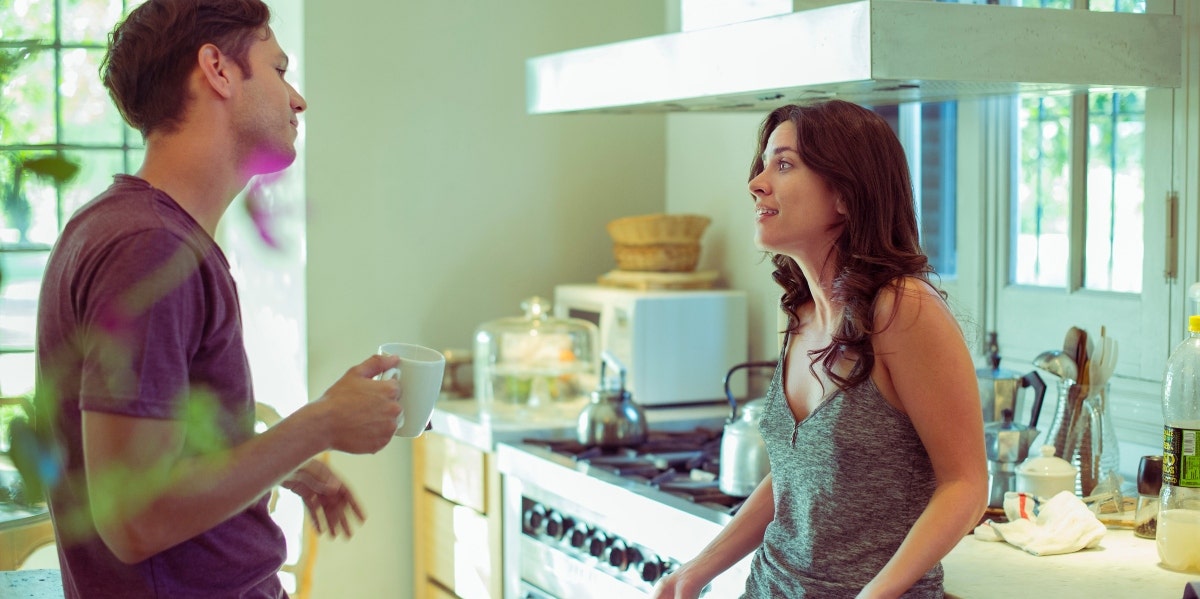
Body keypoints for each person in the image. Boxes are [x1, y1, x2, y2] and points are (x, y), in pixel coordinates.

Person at [32, 1, 404, 597]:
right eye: (280, 71)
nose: (298, 99)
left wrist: (277, 464)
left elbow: (163, 448)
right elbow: (136, 517)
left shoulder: (130, 228)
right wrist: (321, 424)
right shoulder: (150, 249)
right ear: (218, 70)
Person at [652, 101, 988, 599]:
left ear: (846, 195)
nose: (757, 183)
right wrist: (697, 569)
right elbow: (795, 478)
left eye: (783, 164)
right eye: (764, 164)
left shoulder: (902, 309)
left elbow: (965, 485)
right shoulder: (803, 314)